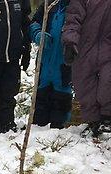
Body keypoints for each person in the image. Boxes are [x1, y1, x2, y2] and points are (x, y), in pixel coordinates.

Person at [62, 0, 111, 137]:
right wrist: (70, 41)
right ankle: (93, 120)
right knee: (84, 83)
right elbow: (73, 18)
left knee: (108, 81)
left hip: (108, 47)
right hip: (85, 46)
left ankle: (107, 117)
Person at [0, 0, 32, 133]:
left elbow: (25, 22)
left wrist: (26, 49)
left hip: (13, 54)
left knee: (9, 92)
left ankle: (7, 124)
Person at [30, 0, 72, 128]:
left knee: (58, 123)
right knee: (39, 121)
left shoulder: (76, 7)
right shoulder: (49, 4)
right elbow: (34, 23)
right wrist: (37, 33)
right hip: (44, 64)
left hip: (64, 66)